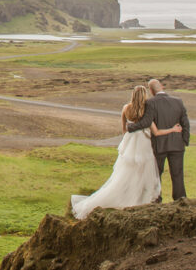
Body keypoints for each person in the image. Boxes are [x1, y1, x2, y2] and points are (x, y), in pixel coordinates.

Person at [70, 85, 182, 219]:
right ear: (144, 96)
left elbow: (124, 130)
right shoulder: (147, 111)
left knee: (125, 173)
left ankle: (122, 195)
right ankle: (140, 198)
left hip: (130, 144)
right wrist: (172, 130)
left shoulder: (126, 108)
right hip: (143, 145)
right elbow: (156, 132)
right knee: (143, 174)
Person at [127, 78, 190, 201]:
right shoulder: (178, 101)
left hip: (159, 145)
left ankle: (156, 199)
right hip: (177, 145)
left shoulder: (151, 103)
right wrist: (184, 141)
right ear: (161, 86)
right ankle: (180, 199)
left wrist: (130, 127)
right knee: (177, 174)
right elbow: (185, 123)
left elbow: (146, 122)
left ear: (151, 90)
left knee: (156, 174)